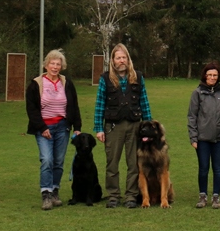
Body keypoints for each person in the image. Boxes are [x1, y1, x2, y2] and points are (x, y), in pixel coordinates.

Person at [94, 43, 152, 208]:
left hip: (135, 126)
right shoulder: (105, 79)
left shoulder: (138, 77)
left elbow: (144, 103)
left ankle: (131, 196)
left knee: (133, 163)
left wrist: (148, 126)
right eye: (118, 57)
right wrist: (99, 128)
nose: (121, 61)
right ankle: (113, 195)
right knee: (112, 163)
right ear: (113, 60)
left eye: (124, 57)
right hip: (113, 127)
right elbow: (100, 104)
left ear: (128, 59)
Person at [26, 49, 81, 210]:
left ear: (61, 66)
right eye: (52, 63)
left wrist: (77, 127)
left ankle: (55, 190)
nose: (55, 67)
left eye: (58, 64)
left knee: (58, 162)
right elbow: (31, 109)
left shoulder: (67, 83)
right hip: (44, 127)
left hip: (62, 127)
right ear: (46, 65)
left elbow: (74, 106)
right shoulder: (36, 84)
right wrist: (42, 127)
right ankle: (46, 194)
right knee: (47, 160)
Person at [188, 62, 220, 209]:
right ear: (205, 76)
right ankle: (202, 196)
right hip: (202, 138)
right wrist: (193, 137)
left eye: (215, 75)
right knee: (203, 168)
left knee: (218, 168)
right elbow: (192, 116)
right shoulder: (197, 93)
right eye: (210, 75)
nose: (212, 77)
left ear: (218, 76)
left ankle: (216, 197)